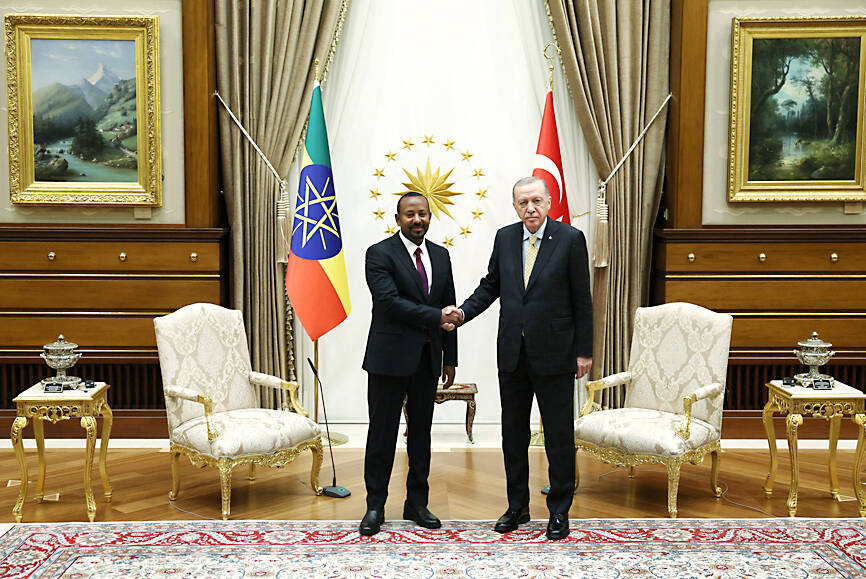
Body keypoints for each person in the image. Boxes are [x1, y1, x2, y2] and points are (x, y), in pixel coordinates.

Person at [452, 175, 592, 540]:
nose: (530, 208)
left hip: (556, 353)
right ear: (515, 207)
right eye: (523, 203)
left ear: (548, 202)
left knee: (558, 435)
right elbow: (491, 286)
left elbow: (583, 299)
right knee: (513, 434)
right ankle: (517, 507)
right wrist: (463, 313)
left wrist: (584, 352)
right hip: (513, 354)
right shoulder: (504, 238)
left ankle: (559, 511)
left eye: (536, 201)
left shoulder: (570, 239)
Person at [359, 192, 459, 536]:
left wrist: (450, 358)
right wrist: (436, 316)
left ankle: (417, 503)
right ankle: (375, 505)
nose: (417, 220)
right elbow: (388, 303)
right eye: (410, 214)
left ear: (430, 217)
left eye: (423, 214)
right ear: (398, 219)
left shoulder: (441, 255)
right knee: (382, 433)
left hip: (427, 360)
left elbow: (449, 305)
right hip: (388, 359)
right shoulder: (379, 253)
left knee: (421, 434)